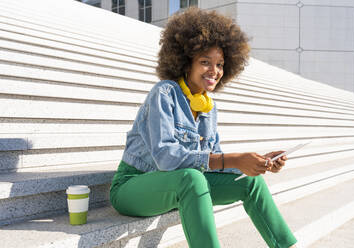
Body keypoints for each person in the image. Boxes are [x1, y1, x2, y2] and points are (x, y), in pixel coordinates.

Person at [110, 7, 297, 248]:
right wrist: (233, 159)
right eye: (205, 62)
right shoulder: (164, 93)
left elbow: (213, 160)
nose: (214, 71)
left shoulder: (209, 107)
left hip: (178, 186)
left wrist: (258, 162)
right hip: (133, 186)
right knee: (192, 178)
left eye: (220, 64)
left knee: (251, 183)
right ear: (186, 62)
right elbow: (166, 158)